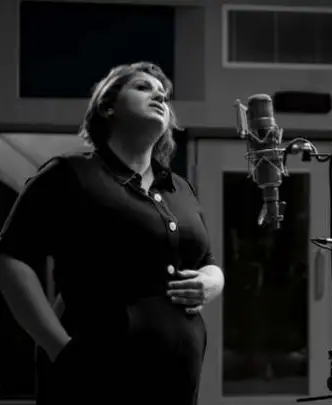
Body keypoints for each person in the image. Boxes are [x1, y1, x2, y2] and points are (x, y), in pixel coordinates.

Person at [0, 62, 224, 405]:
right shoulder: (70, 174)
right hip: (93, 378)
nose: (159, 96)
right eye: (143, 88)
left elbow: (206, 259)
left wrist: (213, 281)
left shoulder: (180, 188)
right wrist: (59, 349)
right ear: (108, 106)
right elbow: (12, 258)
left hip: (177, 381)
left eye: (163, 95)